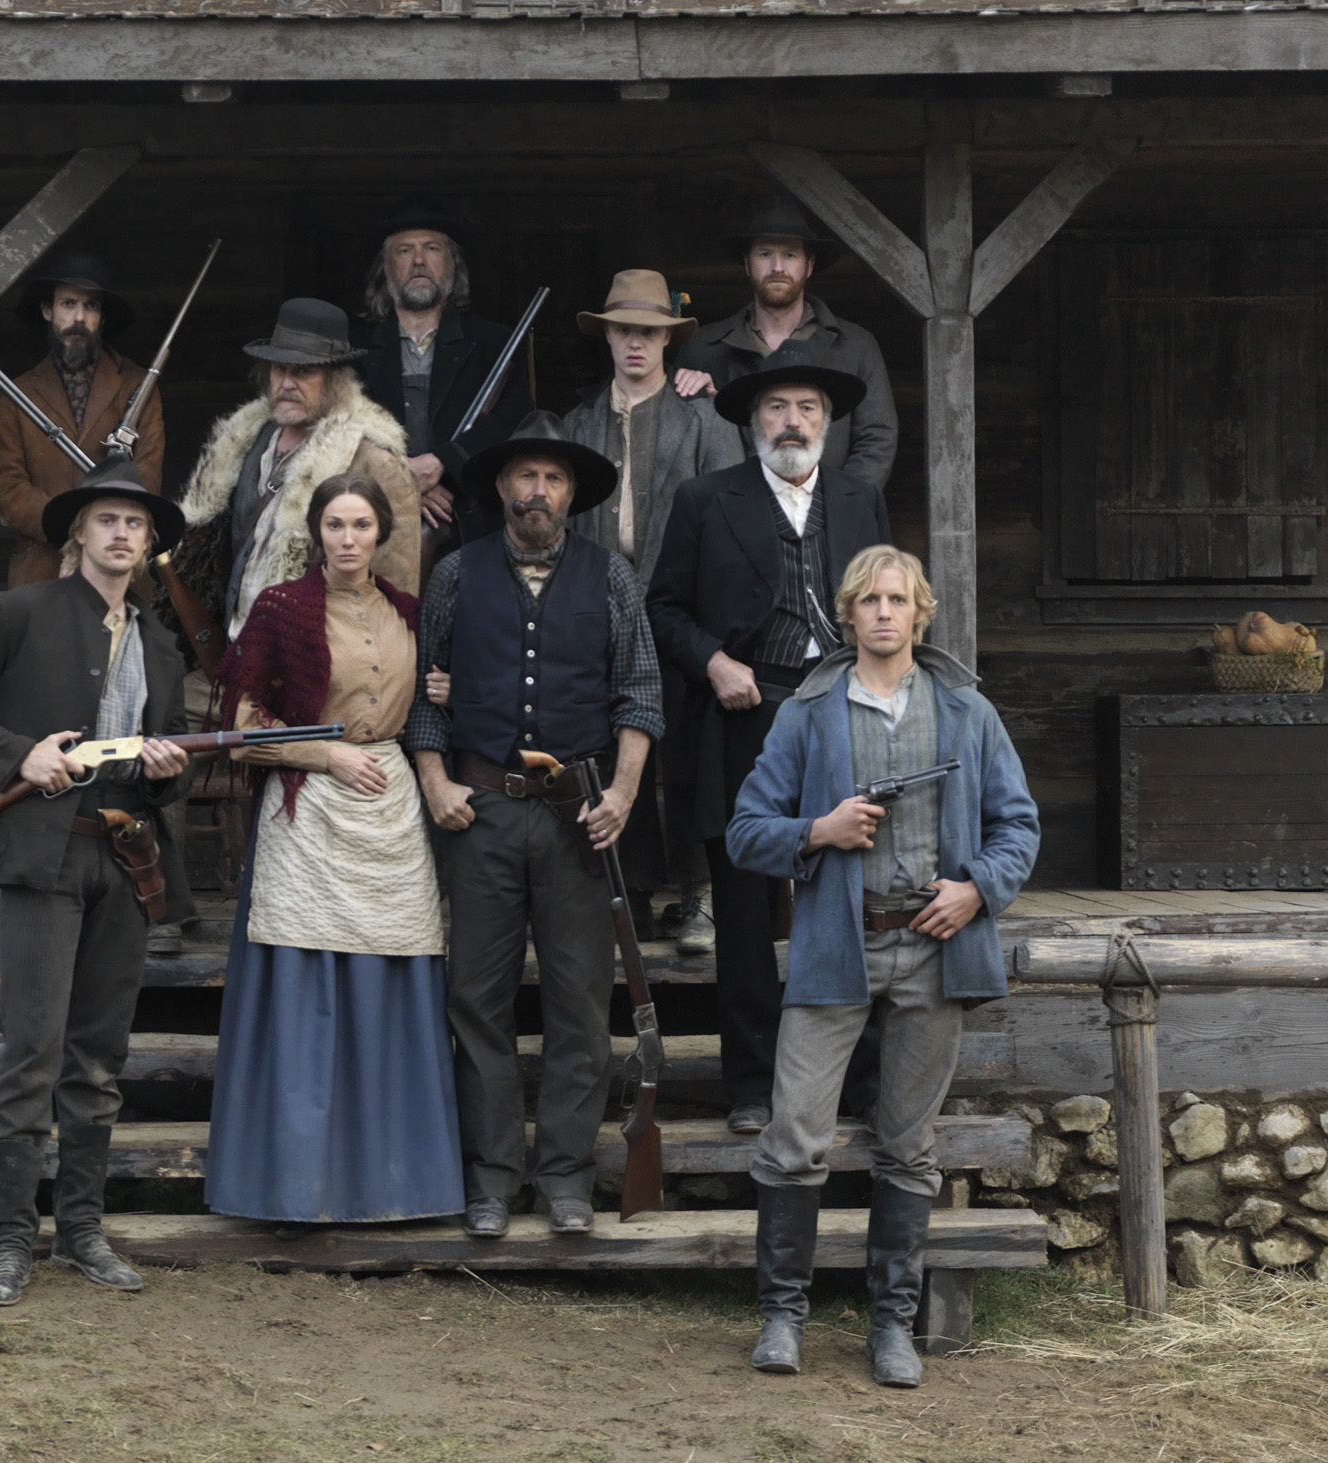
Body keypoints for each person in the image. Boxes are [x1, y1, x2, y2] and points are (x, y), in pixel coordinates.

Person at [726, 547, 1038, 1383]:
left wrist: (976, 889)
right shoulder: (809, 712)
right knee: (794, 1138)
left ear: (920, 612)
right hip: (838, 946)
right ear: (848, 613)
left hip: (935, 950)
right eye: (869, 599)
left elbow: (1021, 827)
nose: (884, 613)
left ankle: (891, 1325)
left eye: (898, 599)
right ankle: (782, 1317)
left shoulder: (968, 711)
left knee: (906, 1146)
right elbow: (745, 829)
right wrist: (816, 831)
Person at [0, 458, 195, 1307]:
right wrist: (18, 755)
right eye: (106, 518)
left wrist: (166, 767)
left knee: (98, 1057)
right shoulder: (20, 612)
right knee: (30, 1050)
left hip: (126, 857)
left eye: (135, 523)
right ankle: (9, 1241)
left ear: (147, 543)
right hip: (43, 856)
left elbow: (169, 764)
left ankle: (81, 1229)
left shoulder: (160, 642)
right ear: (77, 531)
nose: (120, 533)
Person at [406, 413, 663, 1240]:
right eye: (525, 476)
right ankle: (488, 1178)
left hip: (576, 819)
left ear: (572, 493)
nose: (537, 491)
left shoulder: (612, 578)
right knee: (475, 999)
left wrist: (621, 794)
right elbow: (421, 694)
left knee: (579, 1004)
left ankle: (565, 1177)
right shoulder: (455, 573)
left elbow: (640, 694)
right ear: (501, 488)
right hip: (479, 811)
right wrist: (436, 779)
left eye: (552, 478)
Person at [646, 342, 891, 1137]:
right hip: (745, 718)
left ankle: (860, 1079)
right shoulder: (705, 499)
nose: (793, 421)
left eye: (808, 408)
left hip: (842, 720)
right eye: (778, 408)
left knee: (849, 900)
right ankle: (751, 1085)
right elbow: (663, 609)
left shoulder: (858, 501)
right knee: (746, 914)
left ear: (827, 423)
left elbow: (890, 609)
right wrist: (713, 660)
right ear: (753, 421)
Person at [205, 475, 462, 1223]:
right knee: (307, 981)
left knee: (394, 976)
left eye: (361, 525)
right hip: (310, 806)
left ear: (381, 534)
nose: (348, 539)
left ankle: (398, 1186)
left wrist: (438, 694)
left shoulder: (409, 611)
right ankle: (291, 1184)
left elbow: (425, 707)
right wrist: (326, 758)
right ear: (316, 532)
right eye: (335, 524)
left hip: (392, 808)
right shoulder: (283, 607)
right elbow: (245, 723)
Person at [563, 268, 743, 955]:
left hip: (681, 608)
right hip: (603, 609)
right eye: (622, 330)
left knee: (691, 751)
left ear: (669, 338)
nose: (635, 342)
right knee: (610, 746)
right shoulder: (580, 421)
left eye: (648, 331)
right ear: (606, 335)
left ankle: (697, 893)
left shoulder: (703, 417)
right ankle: (631, 891)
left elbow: (729, 519)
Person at [181, 297, 420, 641]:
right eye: (280, 369)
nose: (287, 383)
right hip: (230, 653)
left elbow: (396, 591)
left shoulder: (374, 459)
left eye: (304, 371)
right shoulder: (243, 440)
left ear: (335, 379)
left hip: (312, 660)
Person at [673, 196, 898, 489]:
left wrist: (840, 506)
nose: (777, 266)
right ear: (747, 263)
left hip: (828, 519)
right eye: (765, 253)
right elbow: (677, 444)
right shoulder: (703, 347)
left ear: (809, 265)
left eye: (790, 255)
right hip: (732, 520)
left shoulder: (855, 346)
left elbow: (877, 439)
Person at [350, 196, 534, 551]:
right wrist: (404, 481)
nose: (419, 260)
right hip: (373, 526)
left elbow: (514, 421)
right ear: (386, 267)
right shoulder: (352, 349)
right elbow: (341, 431)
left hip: (471, 525)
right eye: (405, 251)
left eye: (432, 248)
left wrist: (442, 462)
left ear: (453, 264)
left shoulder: (495, 343)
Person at [0, 252, 165, 589]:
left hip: (119, 568)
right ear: (47, 311)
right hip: (42, 572)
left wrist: (101, 530)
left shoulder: (138, 386)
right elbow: (6, 485)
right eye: (68, 304)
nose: (79, 317)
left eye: (91, 306)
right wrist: (69, 524)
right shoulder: (17, 392)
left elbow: (147, 476)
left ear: (102, 316)